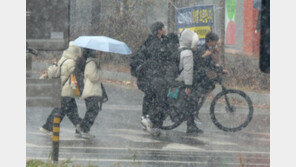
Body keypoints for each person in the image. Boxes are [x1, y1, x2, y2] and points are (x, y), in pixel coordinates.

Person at [40, 42, 83, 136]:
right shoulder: (72, 62)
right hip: (68, 90)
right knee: (60, 111)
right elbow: (74, 77)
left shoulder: (63, 59)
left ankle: (80, 128)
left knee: (71, 111)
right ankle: (47, 127)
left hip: (62, 89)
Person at [139, 21, 170, 136]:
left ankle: (146, 119)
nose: (165, 29)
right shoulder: (155, 43)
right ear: (159, 31)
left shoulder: (151, 41)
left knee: (150, 97)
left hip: (149, 76)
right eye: (163, 28)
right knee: (158, 99)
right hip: (153, 76)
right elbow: (157, 59)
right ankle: (149, 120)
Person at [174, 29, 203, 134]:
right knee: (192, 101)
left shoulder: (179, 49)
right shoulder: (188, 53)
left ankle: (190, 123)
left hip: (175, 80)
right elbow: (188, 71)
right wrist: (188, 85)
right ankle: (190, 125)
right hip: (182, 81)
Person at [75, 49, 103, 139]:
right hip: (91, 91)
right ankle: (85, 129)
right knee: (93, 110)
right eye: (96, 52)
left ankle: (80, 127)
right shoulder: (91, 63)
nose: (97, 53)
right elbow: (93, 77)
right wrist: (99, 72)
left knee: (91, 110)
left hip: (92, 91)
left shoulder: (93, 62)